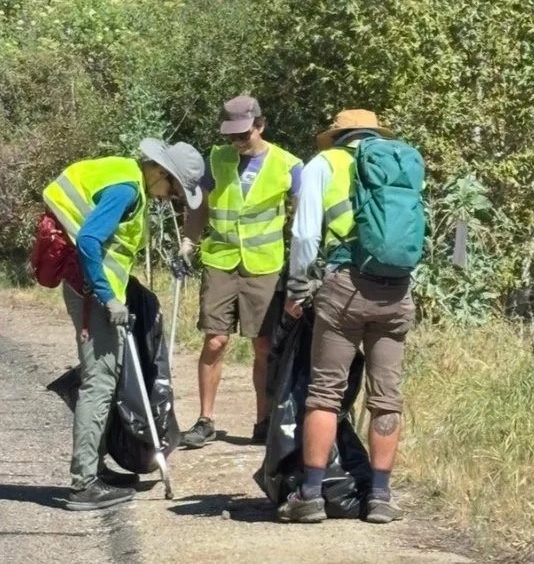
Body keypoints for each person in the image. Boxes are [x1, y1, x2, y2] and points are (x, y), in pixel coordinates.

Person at [43, 138, 205, 510]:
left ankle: (94, 470)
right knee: (99, 381)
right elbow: (88, 240)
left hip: (97, 290)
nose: (171, 198)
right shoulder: (126, 188)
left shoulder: (128, 177)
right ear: (160, 172)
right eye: (174, 190)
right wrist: (107, 295)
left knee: (107, 376)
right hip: (91, 293)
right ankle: (84, 484)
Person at [277, 109, 416, 524]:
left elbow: (305, 234)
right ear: (374, 133)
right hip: (396, 290)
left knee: (324, 392)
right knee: (386, 397)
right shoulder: (402, 162)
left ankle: (310, 495)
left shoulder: (325, 163)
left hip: (344, 286)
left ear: (338, 135)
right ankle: (380, 496)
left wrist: (298, 287)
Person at [177, 96, 302, 448]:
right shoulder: (215, 159)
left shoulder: (288, 165)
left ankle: (264, 421)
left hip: (264, 266)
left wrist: (304, 265)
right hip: (220, 261)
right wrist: (189, 242)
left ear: (260, 126)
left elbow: (301, 219)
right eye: (231, 136)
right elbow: (199, 208)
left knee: (263, 346)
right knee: (215, 340)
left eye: (243, 135)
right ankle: (205, 421)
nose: (237, 142)